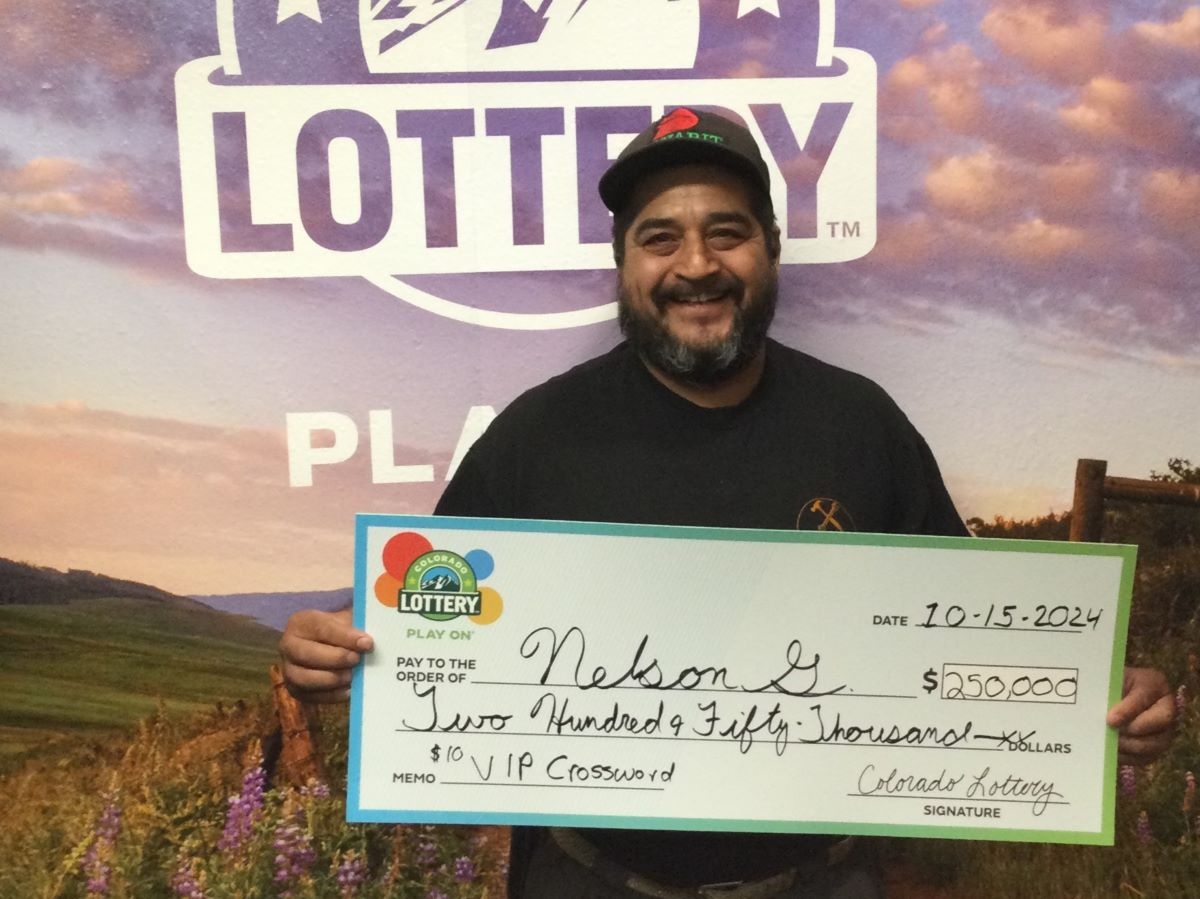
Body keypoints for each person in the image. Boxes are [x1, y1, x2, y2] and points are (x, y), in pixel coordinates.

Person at [280, 109, 1176, 898]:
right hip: (584, 882)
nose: (696, 265)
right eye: (660, 237)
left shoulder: (861, 423)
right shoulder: (536, 435)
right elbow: (429, 619)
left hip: (824, 883)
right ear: (622, 262)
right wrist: (333, 650)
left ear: (772, 249)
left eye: (728, 233)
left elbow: (971, 645)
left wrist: (1101, 703)